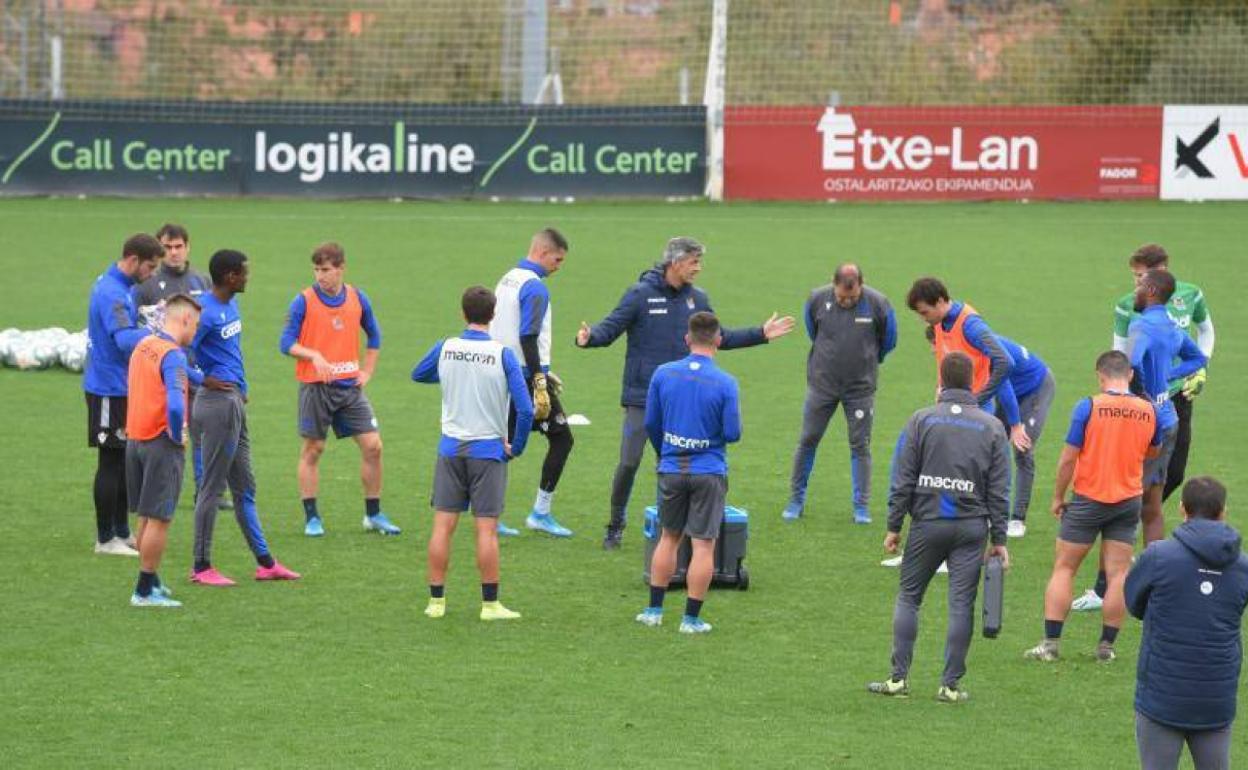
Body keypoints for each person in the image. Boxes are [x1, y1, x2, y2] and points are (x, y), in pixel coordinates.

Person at [576, 236, 794, 549]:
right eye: (694, 262)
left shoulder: (697, 299)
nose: (698, 268)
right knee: (629, 462)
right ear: (676, 262)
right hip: (642, 395)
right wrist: (589, 337)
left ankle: (668, 529)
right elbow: (610, 328)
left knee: (672, 467)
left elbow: (719, 337)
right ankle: (616, 524)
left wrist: (760, 334)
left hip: (680, 400)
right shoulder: (640, 294)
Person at [867, 351, 1010, 703]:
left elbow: (903, 477)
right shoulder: (992, 426)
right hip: (972, 529)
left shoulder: (922, 419)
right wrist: (1000, 538)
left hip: (928, 524)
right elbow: (999, 489)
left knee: (909, 598)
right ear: (973, 381)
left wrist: (893, 526)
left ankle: (898, 680)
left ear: (941, 381)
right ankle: (949, 686)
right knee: (961, 605)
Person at [1072, 270, 1207, 612]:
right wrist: (1166, 379)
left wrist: (1144, 392)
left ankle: (1102, 591)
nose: (1134, 289)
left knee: (1119, 502)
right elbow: (1198, 358)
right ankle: (1159, 585)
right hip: (1168, 419)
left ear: (1151, 291)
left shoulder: (1141, 326)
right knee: (1153, 507)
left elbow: (1129, 365)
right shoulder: (1173, 327)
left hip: (1142, 423)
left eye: (1139, 285)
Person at [1023, 351, 1162, 663]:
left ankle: (1050, 644)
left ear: (1100, 376)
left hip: (1088, 499)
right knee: (1119, 574)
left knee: (1064, 568)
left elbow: (1068, 458)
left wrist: (1058, 497)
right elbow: (1154, 450)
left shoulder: (1089, 406)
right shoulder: (1149, 410)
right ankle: (1106, 648)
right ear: (1129, 376)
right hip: (1128, 500)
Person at [412, 286, 533, 621]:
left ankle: (436, 602)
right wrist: (516, 447)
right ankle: (490, 605)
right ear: (492, 315)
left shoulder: (446, 347)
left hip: (450, 448)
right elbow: (525, 409)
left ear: (463, 313)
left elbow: (418, 373)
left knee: (442, 527)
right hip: (488, 452)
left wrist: (453, 377)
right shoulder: (503, 354)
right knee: (486, 530)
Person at [189, 249, 299, 586]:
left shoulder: (232, 305)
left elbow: (232, 351)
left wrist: (243, 386)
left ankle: (266, 563)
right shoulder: (205, 313)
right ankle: (201, 567)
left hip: (234, 401)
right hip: (216, 405)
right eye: (244, 273)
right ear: (230, 276)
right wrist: (201, 379)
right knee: (211, 488)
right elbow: (176, 351)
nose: (247, 277)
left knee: (245, 487)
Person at [1127, 477, 1248, 770]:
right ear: (1223, 511)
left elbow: (1134, 603)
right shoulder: (1243, 567)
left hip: (1161, 697)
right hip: (1216, 699)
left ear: (1182, 508)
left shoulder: (1158, 556)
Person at [279, 242, 397, 537]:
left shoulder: (358, 298)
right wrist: (313, 355)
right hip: (315, 388)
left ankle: (373, 514)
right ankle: (312, 518)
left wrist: (367, 371)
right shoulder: (303, 301)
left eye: (326, 270)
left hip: (350, 389)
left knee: (373, 446)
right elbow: (285, 343)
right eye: (316, 270)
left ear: (341, 268)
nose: (320, 276)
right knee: (314, 449)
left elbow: (375, 335)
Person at [635, 312, 740, 634]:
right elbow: (732, 433)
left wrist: (666, 450)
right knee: (703, 545)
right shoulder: (726, 382)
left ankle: (654, 611)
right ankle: (690, 620)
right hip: (708, 470)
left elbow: (651, 422)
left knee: (668, 537)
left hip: (671, 467)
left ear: (687, 338)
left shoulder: (663, 373)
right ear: (718, 340)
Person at [782, 263, 896, 525]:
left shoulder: (878, 304)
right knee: (807, 439)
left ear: (861, 286)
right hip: (822, 385)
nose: (847, 302)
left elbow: (889, 340)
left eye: (852, 297)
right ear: (833, 285)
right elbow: (813, 331)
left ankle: (861, 507)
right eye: (842, 297)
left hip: (860, 389)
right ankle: (796, 500)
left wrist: (868, 359)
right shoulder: (816, 299)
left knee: (860, 445)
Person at [132, 223, 225, 511]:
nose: (174, 252)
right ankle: (154, 492)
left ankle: (206, 493)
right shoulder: (146, 286)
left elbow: (211, 323)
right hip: (164, 373)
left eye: (178, 246)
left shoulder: (202, 281)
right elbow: (138, 330)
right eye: (168, 247)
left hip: (197, 370)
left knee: (204, 434)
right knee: (163, 434)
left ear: (188, 247)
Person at [1112, 244, 1215, 502]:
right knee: (1140, 468)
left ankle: (1136, 510)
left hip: (1179, 393)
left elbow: (1206, 331)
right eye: (1134, 276)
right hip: (1143, 397)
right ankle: (1132, 513)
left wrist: (1199, 370)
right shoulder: (1127, 305)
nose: (1136, 283)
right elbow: (1120, 353)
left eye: (1141, 277)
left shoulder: (1191, 294)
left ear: (1161, 271)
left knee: (1175, 473)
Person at [488, 228, 574, 538]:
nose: (558, 266)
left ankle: (492, 514)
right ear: (542, 252)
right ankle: (539, 513)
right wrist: (539, 379)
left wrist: (544, 371)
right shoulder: (535, 287)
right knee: (561, 440)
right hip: (524, 377)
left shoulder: (508, 278)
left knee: (503, 442)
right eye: (557, 259)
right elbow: (527, 336)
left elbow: (506, 331)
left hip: (505, 371)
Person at [84, 233, 163, 556]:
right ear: (133, 260)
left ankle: (121, 531)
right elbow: (123, 339)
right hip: (108, 388)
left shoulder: (120, 286)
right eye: (150, 267)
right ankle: (105, 539)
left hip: (122, 385)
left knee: (123, 459)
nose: (152, 274)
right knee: (111, 460)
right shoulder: (113, 294)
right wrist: (156, 333)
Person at [126, 294, 201, 608]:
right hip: (161, 443)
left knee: (147, 514)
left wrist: (204, 379)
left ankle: (152, 580)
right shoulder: (173, 355)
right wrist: (176, 431)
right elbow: (174, 403)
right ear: (185, 320)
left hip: (135, 440)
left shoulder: (144, 345)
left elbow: (169, 376)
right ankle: (143, 591)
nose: (195, 331)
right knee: (159, 518)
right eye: (196, 325)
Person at [905, 278, 1017, 422]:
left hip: (975, 414)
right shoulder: (939, 321)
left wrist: (979, 399)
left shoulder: (971, 326)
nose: (922, 319)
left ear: (940, 301)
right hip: (951, 407)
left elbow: (1005, 362)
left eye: (925, 313)